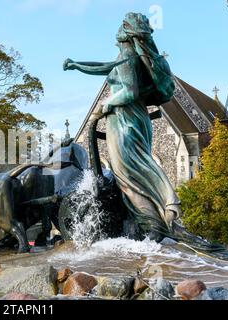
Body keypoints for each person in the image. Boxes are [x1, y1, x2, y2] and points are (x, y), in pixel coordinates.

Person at [63, 12, 180, 240]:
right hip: (136, 120)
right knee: (134, 171)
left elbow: (130, 92)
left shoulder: (128, 59)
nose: (116, 31)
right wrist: (77, 64)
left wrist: (105, 105)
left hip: (125, 122)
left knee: (129, 175)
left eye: (120, 27)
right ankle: (156, 217)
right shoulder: (128, 57)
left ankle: (154, 225)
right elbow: (102, 67)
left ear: (126, 33)